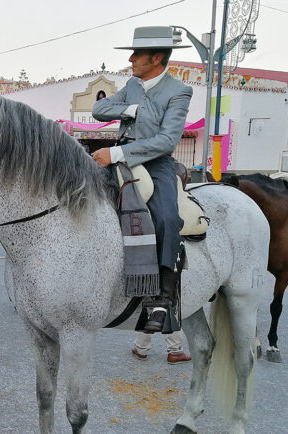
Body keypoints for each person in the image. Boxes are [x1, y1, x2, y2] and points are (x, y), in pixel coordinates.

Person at [92, 26, 192, 333]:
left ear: (157, 58)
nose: (131, 59)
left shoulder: (179, 91)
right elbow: (98, 109)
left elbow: (166, 140)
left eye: (137, 54)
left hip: (156, 162)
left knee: (166, 218)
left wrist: (118, 153)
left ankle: (162, 299)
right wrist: (131, 109)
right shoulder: (132, 86)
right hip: (117, 158)